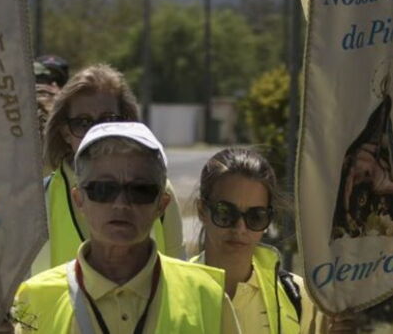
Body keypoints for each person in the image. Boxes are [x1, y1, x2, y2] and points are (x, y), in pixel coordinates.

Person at [13, 122, 240, 333]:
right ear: (78, 199)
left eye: (140, 190)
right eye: (103, 189)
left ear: (162, 205)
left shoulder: (207, 297)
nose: (121, 204)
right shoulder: (33, 300)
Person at [32, 64, 184, 273]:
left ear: (128, 123)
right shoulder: (38, 200)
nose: (96, 131)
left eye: (109, 120)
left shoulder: (159, 190)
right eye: (83, 122)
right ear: (65, 132)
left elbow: (179, 272)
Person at [193, 148, 356, 334]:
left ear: (268, 219)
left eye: (256, 217)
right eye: (225, 213)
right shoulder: (172, 290)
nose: (240, 228)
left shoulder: (302, 299)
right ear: (201, 210)